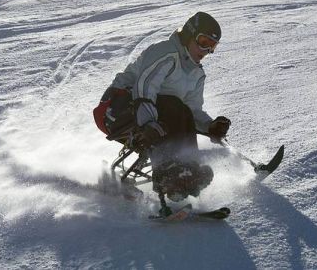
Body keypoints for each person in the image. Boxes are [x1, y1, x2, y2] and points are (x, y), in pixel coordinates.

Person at [95, 12, 231, 203]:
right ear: (189, 35)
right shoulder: (167, 53)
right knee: (174, 106)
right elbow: (144, 88)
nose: (206, 50)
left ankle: (187, 172)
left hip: (151, 117)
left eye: (212, 46)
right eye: (203, 42)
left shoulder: (196, 74)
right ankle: (169, 177)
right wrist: (149, 123)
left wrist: (210, 127)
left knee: (183, 112)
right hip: (116, 109)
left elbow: (191, 111)